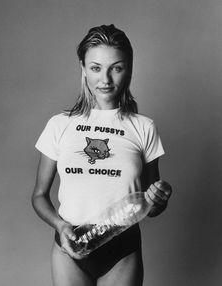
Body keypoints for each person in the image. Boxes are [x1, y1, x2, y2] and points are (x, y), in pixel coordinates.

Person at [32, 24, 172, 286]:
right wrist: (60, 226)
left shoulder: (144, 127)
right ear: (83, 69)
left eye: (116, 68)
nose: (105, 79)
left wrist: (159, 197)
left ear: (128, 68)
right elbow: (39, 196)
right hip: (70, 247)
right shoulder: (59, 124)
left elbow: (152, 206)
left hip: (122, 250)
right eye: (96, 68)